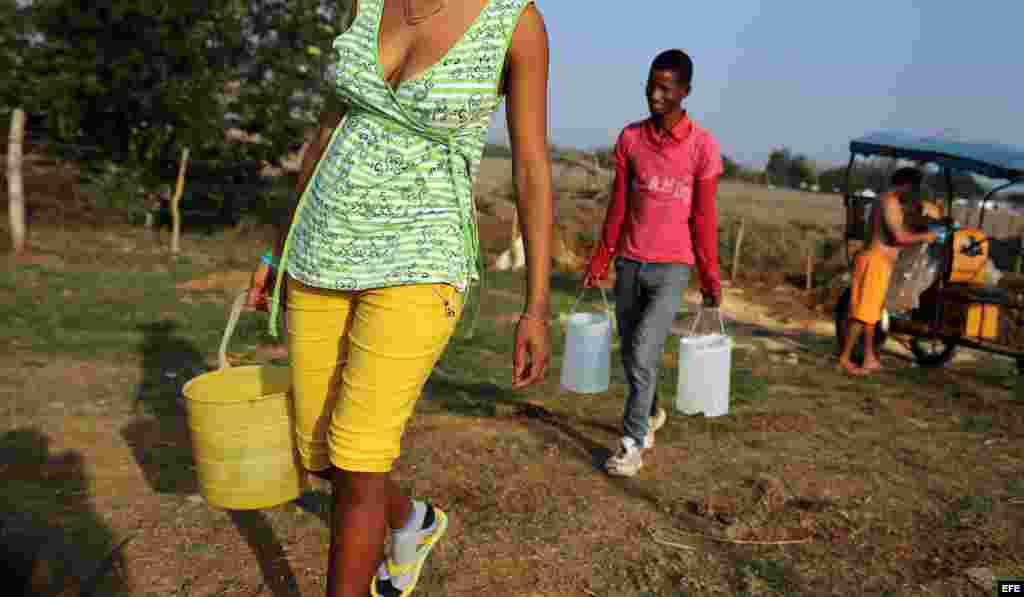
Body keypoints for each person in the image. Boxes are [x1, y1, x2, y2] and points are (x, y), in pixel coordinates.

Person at [246, 1, 553, 596]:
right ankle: (412, 519)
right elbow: (326, 132)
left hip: (421, 260)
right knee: (320, 456)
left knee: (359, 463)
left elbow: (532, 168)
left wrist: (536, 304)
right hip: (320, 250)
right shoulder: (369, 1)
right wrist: (276, 248)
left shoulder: (516, 21)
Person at [583, 49, 724, 478]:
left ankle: (631, 443)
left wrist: (709, 275)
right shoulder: (631, 139)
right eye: (651, 84)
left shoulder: (702, 146)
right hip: (629, 261)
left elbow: (703, 217)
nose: (656, 95)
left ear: (685, 92)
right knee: (631, 355)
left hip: (672, 268)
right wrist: (602, 255)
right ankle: (653, 409)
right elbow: (619, 205)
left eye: (666, 88)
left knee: (644, 350)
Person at [838, 167, 940, 376]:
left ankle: (869, 358)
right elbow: (899, 238)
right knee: (863, 314)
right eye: (913, 189)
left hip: (877, 261)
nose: (913, 194)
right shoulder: (890, 202)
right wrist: (926, 237)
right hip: (875, 261)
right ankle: (845, 358)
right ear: (906, 184)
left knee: (872, 313)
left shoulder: (881, 200)